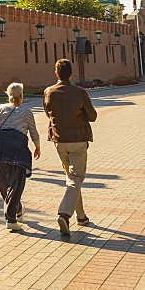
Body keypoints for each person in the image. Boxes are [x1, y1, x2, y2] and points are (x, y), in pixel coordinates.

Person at [43, 58, 97, 236]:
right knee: (75, 178)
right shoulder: (79, 92)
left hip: (59, 140)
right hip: (78, 140)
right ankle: (64, 214)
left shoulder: (48, 92)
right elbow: (92, 116)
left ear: (56, 73)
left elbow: (47, 113)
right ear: (71, 73)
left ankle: (81, 216)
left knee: (72, 178)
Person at [0, 82, 40, 232]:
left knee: (5, 185)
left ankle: (18, 210)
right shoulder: (26, 111)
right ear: (21, 95)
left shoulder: (0, 108)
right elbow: (33, 131)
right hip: (17, 152)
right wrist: (37, 146)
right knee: (16, 185)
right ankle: (11, 219)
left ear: (8, 95)